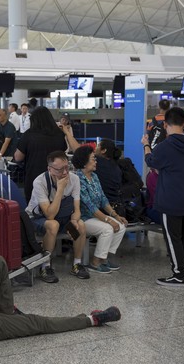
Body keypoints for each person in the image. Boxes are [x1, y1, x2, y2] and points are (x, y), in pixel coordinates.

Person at [142, 107, 184, 287]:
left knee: (172, 237)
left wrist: (146, 144)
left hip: (171, 200)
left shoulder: (165, 146)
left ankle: (178, 275)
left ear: (166, 124)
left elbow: (151, 161)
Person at [26, 151, 89, 282]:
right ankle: (45, 266)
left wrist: (74, 220)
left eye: (67, 167)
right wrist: (60, 189)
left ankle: (76, 264)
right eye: (60, 169)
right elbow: (49, 215)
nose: (65, 172)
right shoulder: (40, 182)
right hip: (38, 219)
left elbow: (77, 210)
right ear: (50, 169)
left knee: (81, 226)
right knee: (53, 225)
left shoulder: (75, 179)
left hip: (63, 217)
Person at [72, 146, 127, 274]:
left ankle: (103, 258)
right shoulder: (78, 179)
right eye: (93, 159)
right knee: (108, 228)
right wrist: (108, 220)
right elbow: (89, 205)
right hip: (83, 219)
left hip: (96, 216)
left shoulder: (95, 177)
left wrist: (116, 216)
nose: (96, 161)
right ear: (84, 162)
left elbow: (103, 199)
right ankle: (95, 263)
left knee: (121, 226)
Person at [13, 107, 68, 202]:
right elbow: (64, 151)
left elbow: (18, 157)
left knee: (35, 209)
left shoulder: (29, 134)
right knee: (58, 206)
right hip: (56, 177)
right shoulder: (59, 134)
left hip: (34, 177)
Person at [93, 138, 124, 215]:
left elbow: (78, 152)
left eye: (97, 146)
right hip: (118, 208)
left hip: (105, 209)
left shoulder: (98, 162)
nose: (95, 148)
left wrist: (67, 132)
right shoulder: (116, 166)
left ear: (103, 150)